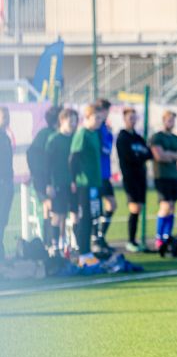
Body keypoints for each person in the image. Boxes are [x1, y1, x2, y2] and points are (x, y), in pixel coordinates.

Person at [69, 103, 104, 263]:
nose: (99, 121)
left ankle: (88, 252)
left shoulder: (94, 134)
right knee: (84, 218)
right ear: (87, 118)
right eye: (96, 118)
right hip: (84, 183)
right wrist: (73, 179)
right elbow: (73, 158)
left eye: (100, 118)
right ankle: (82, 253)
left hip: (94, 182)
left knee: (91, 218)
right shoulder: (82, 133)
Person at [116, 107, 152, 252]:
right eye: (130, 118)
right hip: (130, 178)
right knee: (134, 208)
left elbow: (148, 154)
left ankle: (135, 240)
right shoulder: (122, 137)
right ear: (125, 120)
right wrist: (139, 155)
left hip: (141, 177)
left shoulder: (138, 138)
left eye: (134, 118)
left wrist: (140, 155)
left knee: (139, 208)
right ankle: (130, 241)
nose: (133, 120)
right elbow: (128, 157)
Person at [150, 110, 177, 254]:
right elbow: (159, 156)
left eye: (173, 120)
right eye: (169, 120)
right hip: (162, 176)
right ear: (163, 120)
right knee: (165, 206)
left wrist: (169, 154)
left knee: (173, 207)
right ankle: (159, 238)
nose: (171, 123)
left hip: (174, 176)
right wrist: (173, 155)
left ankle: (167, 236)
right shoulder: (157, 137)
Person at [46, 108, 78, 255]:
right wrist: (49, 184)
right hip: (58, 182)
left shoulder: (75, 138)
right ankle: (54, 245)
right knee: (58, 215)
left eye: (75, 120)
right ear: (62, 121)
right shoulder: (54, 139)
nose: (73, 123)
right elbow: (47, 164)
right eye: (70, 120)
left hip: (73, 184)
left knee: (73, 213)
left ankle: (71, 244)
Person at [27, 105, 60, 247]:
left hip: (52, 179)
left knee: (50, 209)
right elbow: (32, 154)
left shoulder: (57, 134)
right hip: (43, 179)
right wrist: (38, 176)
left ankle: (50, 243)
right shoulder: (46, 134)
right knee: (51, 206)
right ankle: (51, 242)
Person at [95, 99, 116, 251]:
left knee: (112, 205)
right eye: (103, 110)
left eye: (107, 110)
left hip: (105, 175)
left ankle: (101, 236)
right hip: (96, 175)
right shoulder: (96, 129)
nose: (106, 113)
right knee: (96, 209)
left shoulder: (105, 128)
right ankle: (96, 239)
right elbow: (104, 149)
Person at [0, 107, 13, 261]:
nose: (7, 119)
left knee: (3, 220)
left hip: (6, 184)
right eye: (4, 116)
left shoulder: (5, 137)